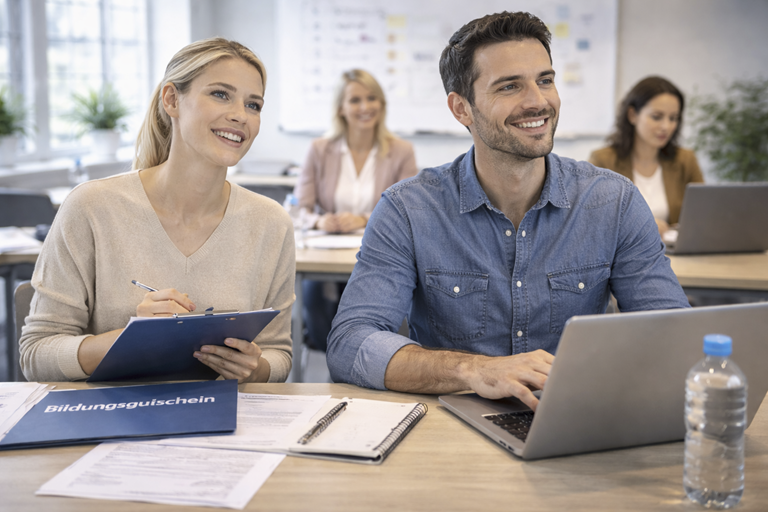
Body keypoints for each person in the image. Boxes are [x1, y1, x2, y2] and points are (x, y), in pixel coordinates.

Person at [326, 12, 690, 411]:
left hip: (572, 420)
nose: (538, 101)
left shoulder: (613, 201)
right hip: (449, 432)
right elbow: (351, 342)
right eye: (510, 86)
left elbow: (672, 334)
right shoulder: (408, 209)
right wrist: (474, 370)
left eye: (545, 80)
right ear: (462, 109)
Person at [19, 38, 295, 382]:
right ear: (171, 99)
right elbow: (36, 355)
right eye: (220, 94)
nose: (241, 115)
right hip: (112, 421)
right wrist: (128, 340)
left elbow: (279, 354)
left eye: (253, 105)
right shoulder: (91, 207)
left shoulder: (272, 223)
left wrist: (255, 367)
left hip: (227, 424)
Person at [295, 69, 418, 351]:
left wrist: (362, 219)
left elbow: (411, 212)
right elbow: (298, 210)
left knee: (388, 311)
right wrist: (320, 221)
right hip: (326, 255)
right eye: (355, 100)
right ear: (341, 108)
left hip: (381, 255)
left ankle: (371, 359)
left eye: (372, 98)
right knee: (313, 297)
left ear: (382, 104)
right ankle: (331, 358)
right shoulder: (319, 150)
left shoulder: (401, 151)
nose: (365, 107)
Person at [589, 76, 704, 235]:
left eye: (673, 118)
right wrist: (641, 225)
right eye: (657, 117)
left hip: (674, 255)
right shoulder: (603, 161)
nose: (666, 126)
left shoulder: (685, 160)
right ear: (632, 115)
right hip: (622, 257)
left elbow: (703, 215)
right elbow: (592, 219)